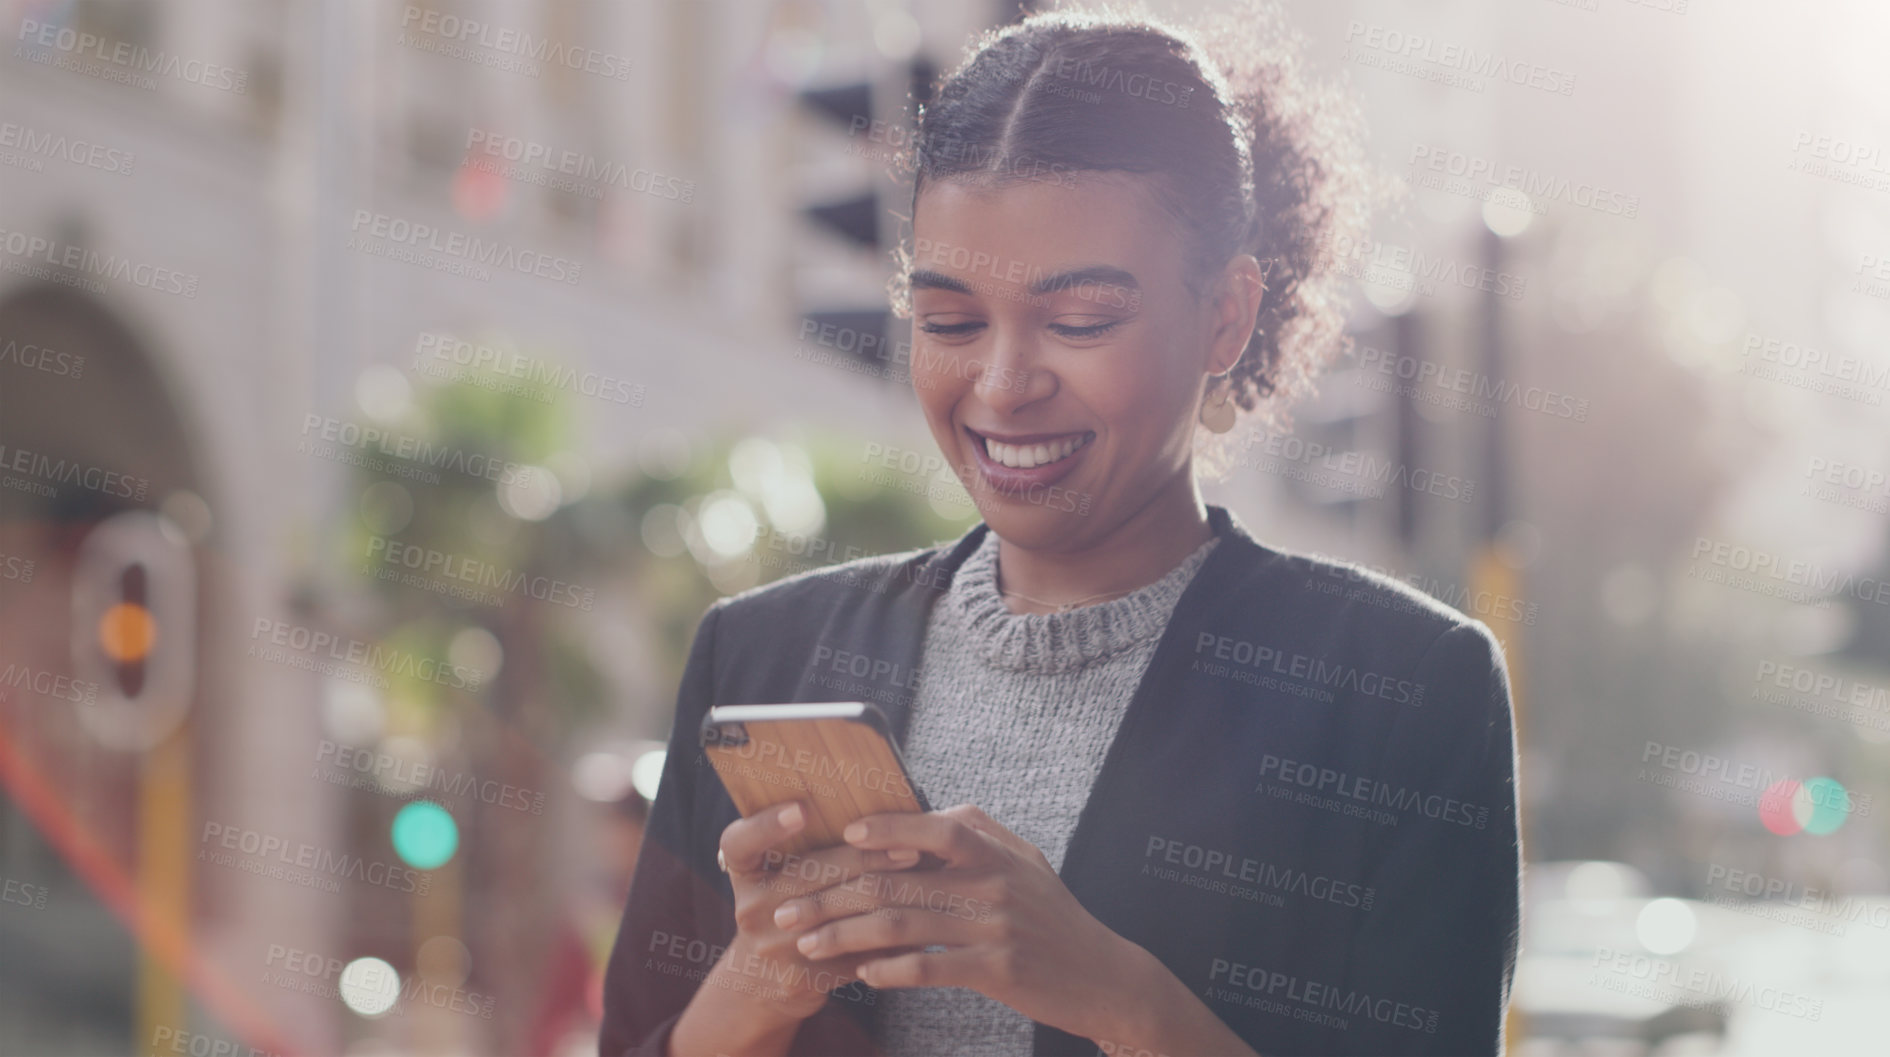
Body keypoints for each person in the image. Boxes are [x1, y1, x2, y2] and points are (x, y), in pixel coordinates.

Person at [601, 5, 1521, 1055]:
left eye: (1079, 322)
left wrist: (1115, 994)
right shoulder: (761, 655)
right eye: (950, 320)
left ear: (1226, 314)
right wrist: (754, 987)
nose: (1001, 384)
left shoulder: (1400, 689)